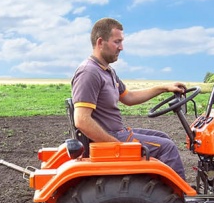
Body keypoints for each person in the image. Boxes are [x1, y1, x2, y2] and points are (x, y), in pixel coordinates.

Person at [71, 17, 187, 178]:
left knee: (163, 138)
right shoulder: (89, 72)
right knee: (167, 148)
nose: (121, 47)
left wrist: (163, 88)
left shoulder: (107, 71)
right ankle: (179, 194)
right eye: (117, 42)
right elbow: (82, 120)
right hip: (112, 136)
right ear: (100, 42)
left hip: (119, 132)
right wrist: (117, 146)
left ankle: (158, 187)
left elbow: (129, 97)